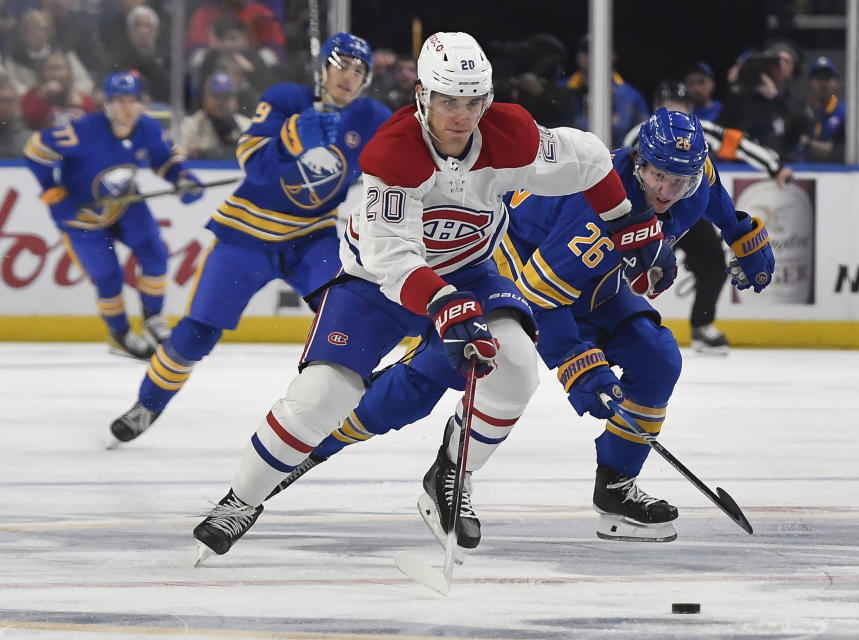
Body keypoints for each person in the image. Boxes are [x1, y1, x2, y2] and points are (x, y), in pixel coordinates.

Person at [190, 31, 656, 563]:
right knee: (322, 397)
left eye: (472, 102)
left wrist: (628, 221)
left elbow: (590, 159)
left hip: (471, 273)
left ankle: (453, 474)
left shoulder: (512, 137)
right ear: (422, 97)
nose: (460, 115)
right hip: (375, 287)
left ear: (487, 100)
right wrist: (443, 305)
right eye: (447, 101)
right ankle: (241, 501)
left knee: (518, 365)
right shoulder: (392, 154)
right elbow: (394, 260)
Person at [267, 107, 775, 544]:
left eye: (678, 180)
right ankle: (319, 442)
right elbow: (545, 299)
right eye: (658, 175)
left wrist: (741, 233)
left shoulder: (693, 178)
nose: (667, 189)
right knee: (431, 380)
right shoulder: (598, 212)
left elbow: (711, 198)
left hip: (592, 281)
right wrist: (580, 366)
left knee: (657, 358)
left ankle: (615, 488)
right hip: (522, 277)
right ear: (639, 162)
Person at [107, 33, 391, 444]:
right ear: (324, 67)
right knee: (196, 334)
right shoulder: (287, 98)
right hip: (245, 235)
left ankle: (349, 408)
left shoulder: (373, 118)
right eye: (342, 64)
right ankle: (146, 406)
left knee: (348, 312)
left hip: (310, 239)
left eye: (359, 70)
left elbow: (405, 162)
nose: (349, 75)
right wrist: (294, 137)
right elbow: (253, 164)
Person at [23, 71, 204, 359]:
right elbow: (36, 150)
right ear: (106, 104)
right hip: (81, 219)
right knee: (109, 278)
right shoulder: (83, 131)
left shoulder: (148, 128)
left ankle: (152, 318)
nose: (127, 107)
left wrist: (182, 178)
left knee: (155, 254)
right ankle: (120, 334)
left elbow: (163, 159)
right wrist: (53, 192)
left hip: (124, 205)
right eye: (119, 100)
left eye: (133, 100)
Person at [624, 82, 789, 353]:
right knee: (629, 272)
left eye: (681, 105)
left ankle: (702, 325)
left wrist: (773, 166)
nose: (675, 111)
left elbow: (736, 143)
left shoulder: (699, 134)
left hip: (688, 208)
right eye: (668, 105)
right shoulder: (640, 136)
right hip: (642, 215)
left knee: (713, 264)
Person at [557, 35, 648, 145]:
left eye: (598, 51)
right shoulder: (561, 89)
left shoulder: (630, 96)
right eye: (586, 51)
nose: (591, 57)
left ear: (613, 56)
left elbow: (642, 134)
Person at [181, 72, 251, 159]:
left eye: (226, 96)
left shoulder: (247, 126)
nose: (221, 102)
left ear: (234, 100)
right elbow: (179, 157)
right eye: (216, 96)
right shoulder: (189, 126)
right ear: (205, 98)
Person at [794, 56, 846, 163]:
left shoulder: (844, 113)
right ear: (810, 82)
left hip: (836, 171)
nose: (822, 83)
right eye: (818, 77)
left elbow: (842, 150)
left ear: (836, 82)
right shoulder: (798, 112)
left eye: (827, 77)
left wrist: (809, 145)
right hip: (802, 170)